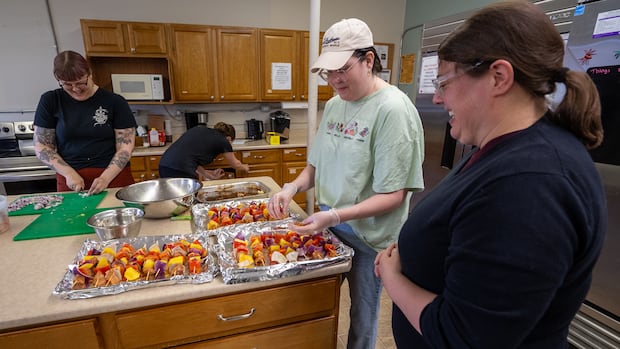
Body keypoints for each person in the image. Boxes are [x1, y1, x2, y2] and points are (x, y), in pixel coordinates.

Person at [374, 1, 607, 348]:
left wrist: (393, 280)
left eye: (445, 82)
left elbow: (464, 338)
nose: (437, 98)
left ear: (499, 77)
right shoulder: (501, 149)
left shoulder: (529, 184)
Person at [267, 18, 424, 349]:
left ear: (368, 60)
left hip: (369, 238)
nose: (335, 79)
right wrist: (291, 188)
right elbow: (316, 165)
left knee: (362, 319)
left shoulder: (393, 110)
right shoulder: (336, 104)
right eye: (328, 71)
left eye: (343, 68)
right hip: (330, 229)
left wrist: (334, 215)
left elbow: (394, 195)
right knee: (311, 303)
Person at [34, 50, 136, 195]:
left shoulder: (114, 102)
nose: (75, 89)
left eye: (80, 82)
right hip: (70, 179)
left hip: (113, 176)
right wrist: (68, 173)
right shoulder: (50, 101)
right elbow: (42, 146)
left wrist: (105, 179)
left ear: (89, 73)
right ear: (58, 79)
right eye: (67, 84)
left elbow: (125, 147)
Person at [158, 122, 249, 180]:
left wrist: (208, 174)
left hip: (164, 165)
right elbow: (235, 164)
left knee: (175, 200)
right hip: (181, 170)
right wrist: (245, 167)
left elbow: (192, 159)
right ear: (229, 139)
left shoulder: (200, 130)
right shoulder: (223, 140)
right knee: (186, 200)